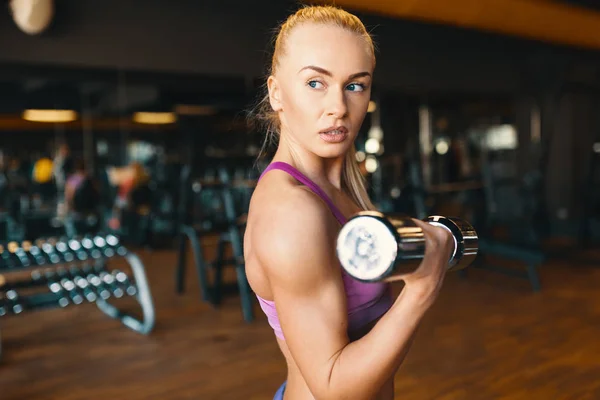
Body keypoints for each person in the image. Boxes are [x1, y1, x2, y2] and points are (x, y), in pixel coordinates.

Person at [244, 5, 455, 400]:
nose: (338, 107)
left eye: (355, 85)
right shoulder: (292, 210)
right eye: (315, 83)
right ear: (276, 92)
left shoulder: (345, 190)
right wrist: (423, 286)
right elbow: (333, 387)